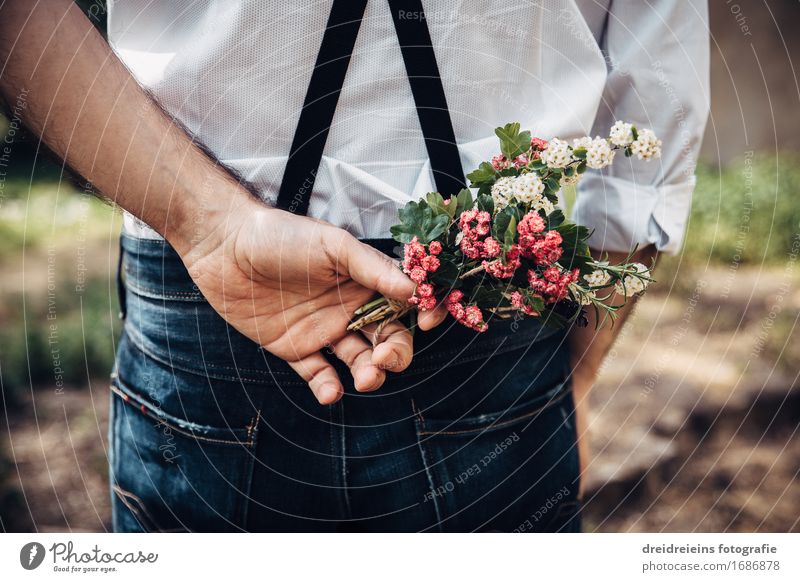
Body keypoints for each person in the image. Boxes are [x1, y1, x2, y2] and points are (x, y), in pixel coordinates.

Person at [0, 0, 709, 532]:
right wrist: (577, 374)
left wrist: (206, 221)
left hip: (233, 276)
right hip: (473, 335)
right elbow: (657, 84)